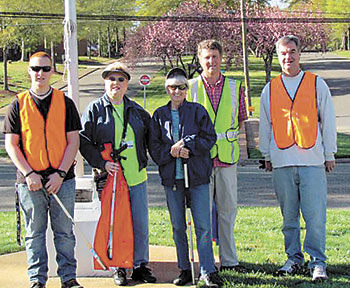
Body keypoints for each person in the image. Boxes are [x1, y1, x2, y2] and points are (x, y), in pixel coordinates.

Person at [259, 35, 337, 281]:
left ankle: (318, 262)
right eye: (283, 53)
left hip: (312, 160)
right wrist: (266, 154)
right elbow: (265, 124)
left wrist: (329, 153)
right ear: (278, 56)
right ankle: (293, 258)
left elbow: (328, 120)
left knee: (315, 216)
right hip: (282, 160)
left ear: (300, 54)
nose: (287, 57)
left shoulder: (316, 84)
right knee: (288, 218)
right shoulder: (270, 88)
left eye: (292, 52)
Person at [3, 51, 83, 288]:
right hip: (30, 182)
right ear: (29, 71)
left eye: (45, 69)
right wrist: (29, 173)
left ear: (52, 71)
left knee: (65, 234)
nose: (40, 73)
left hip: (63, 180)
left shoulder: (65, 102)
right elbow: (11, 144)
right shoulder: (17, 103)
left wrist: (60, 174)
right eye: (36, 69)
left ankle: (69, 279)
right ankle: (37, 280)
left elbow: (73, 142)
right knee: (34, 234)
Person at [79, 61, 156, 286]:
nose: (116, 83)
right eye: (111, 79)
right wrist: (101, 164)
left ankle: (140, 265)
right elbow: (83, 141)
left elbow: (151, 139)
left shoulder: (138, 111)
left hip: (136, 175)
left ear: (127, 84)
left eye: (120, 79)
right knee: (115, 222)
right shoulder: (94, 109)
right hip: (112, 178)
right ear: (105, 82)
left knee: (140, 223)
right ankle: (119, 265)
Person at [149, 67, 221, 287]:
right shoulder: (159, 115)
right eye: (172, 87)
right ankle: (184, 268)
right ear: (167, 89)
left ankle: (208, 270)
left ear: (186, 89)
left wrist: (188, 145)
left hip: (197, 177)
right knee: (178, 226)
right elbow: (154, 146)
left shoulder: (198, 111)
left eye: (181, 87)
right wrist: (172, 151)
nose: (177, 91)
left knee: (202, 225)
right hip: (173, 179)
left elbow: (209, 138)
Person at [187, 39, 248, 271]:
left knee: (227, 211)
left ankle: (230, 261)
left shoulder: (234, 86)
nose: (211, 61)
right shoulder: (191, 87)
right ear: (200, 60)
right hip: (200, 160)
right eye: (206, 57)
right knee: (202, 214)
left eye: (214, 56)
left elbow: (241, 119)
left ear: (221, 58)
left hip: (226, 159)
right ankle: (206, 263)